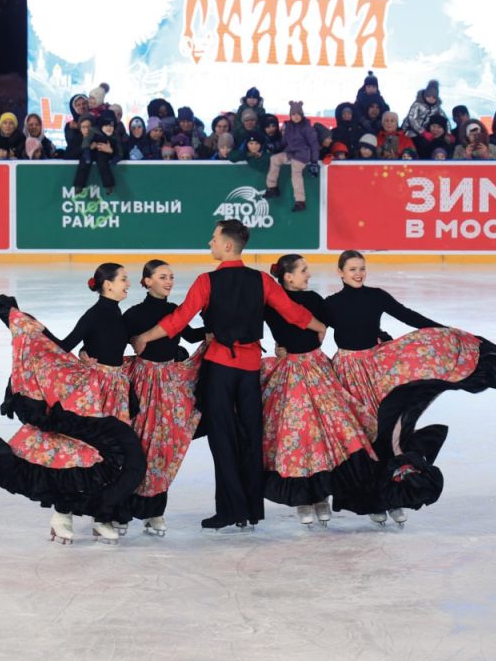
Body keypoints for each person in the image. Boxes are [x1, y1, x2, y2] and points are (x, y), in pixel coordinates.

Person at [130, 220, 327, 532]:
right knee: (250, 438)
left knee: (223, 440)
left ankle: (229, 510)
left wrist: (145, 337)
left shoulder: (206, 281)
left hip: (221, 368)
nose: (209, 243)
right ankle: (250, 510)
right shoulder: (262, 280)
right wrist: (320, 327)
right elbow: (292, 312)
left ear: (226, 245)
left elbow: (179, 320)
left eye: (213, 239)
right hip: (249, 370)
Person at [324, 250, 496, 525]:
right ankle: (371, 501)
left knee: (387, 433)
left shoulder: (376, 296)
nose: (358, 273)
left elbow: (410, 317)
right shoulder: (330, 304)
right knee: (363, 438)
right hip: (348, 373)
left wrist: (450, 334)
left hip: (378, 368)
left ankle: (392, 496)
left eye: (362, 268)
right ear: (340, 273)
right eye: (352, 269)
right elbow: (310, 329)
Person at [0, 264, 143, 546]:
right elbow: (65, 345)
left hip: (116, 390)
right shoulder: (95, 314)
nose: (129, 284)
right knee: (75, 450)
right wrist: (39, 331)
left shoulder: (119, 314)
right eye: (124, 279)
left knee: (110, 457)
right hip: (92, 391)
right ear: (107, 285)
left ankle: (103, 515)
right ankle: (62, 514)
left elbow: (118, 344)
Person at [262, 254, 378, 527]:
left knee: (331, 431)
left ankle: (322, 495)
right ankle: (304, 498)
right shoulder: (270, 306)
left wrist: (375, 335)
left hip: (318, 369)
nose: (308, 275)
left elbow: (344, 321)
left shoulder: (314, 301)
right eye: (303, 271)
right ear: (288, 277)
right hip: (289, 374)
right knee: (299, 436)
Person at [120, 260, 208, 536]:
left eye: (171, 277)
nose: (169, 281)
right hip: (142, 384)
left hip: (171, 383)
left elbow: (192, 336)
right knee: (139, 444)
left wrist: (216, 323)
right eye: (162, 276)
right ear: (146, 281)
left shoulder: (174, 311)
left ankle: (155, 511)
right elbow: (113, 340)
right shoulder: (134, 314)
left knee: (163, 447)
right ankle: (120, 510)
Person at [264, 101, 319, 212]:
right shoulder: (288, 127)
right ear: (290, 115)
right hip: (290, 152)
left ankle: (300, 201)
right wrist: (274, 146)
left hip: (302, 154)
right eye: (293, 114)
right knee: (274, 159)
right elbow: (284, 142)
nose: (296, 117)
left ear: (302, 115)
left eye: (298, 114)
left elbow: (314, 144)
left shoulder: (307, 127)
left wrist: (314, 161)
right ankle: (272, 187)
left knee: (295, 171)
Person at [74, 114, 121, 193]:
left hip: (102, 153)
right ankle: (79, 185)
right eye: (106, 125)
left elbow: (120, 149)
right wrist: (87, 150)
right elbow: (86, 141)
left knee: (103, 164)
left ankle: (109, 185)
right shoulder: (92, 132)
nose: (109, 128)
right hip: (91, 152)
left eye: (111, 126)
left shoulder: (114, 136)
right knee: (84, 164)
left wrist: (113, 154)